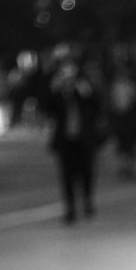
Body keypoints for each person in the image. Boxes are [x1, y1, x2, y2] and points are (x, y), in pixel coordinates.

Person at [44, 55, 104, 224]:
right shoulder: (58, 91)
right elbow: (48, 109)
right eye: (64, 70)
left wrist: (86, 92)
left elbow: (97, 108)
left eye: (70, 69)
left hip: (85, 138)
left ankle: (87, 200)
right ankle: (70, 208)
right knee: (67, 175)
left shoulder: (84, 87)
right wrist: (54, 90)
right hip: (65, 139)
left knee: (86, 172)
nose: (68, 74)